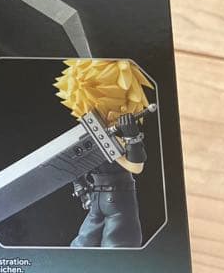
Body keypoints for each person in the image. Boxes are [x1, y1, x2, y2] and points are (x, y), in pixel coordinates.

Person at [54, 59, 154, 248]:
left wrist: (131, 137)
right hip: (97, 199)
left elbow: (136, 167)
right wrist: (81, 186)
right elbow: (76, 164)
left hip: (118, 199)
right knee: (79, 248)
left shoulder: (118, 136)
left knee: (117, 247)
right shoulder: (90, 130)